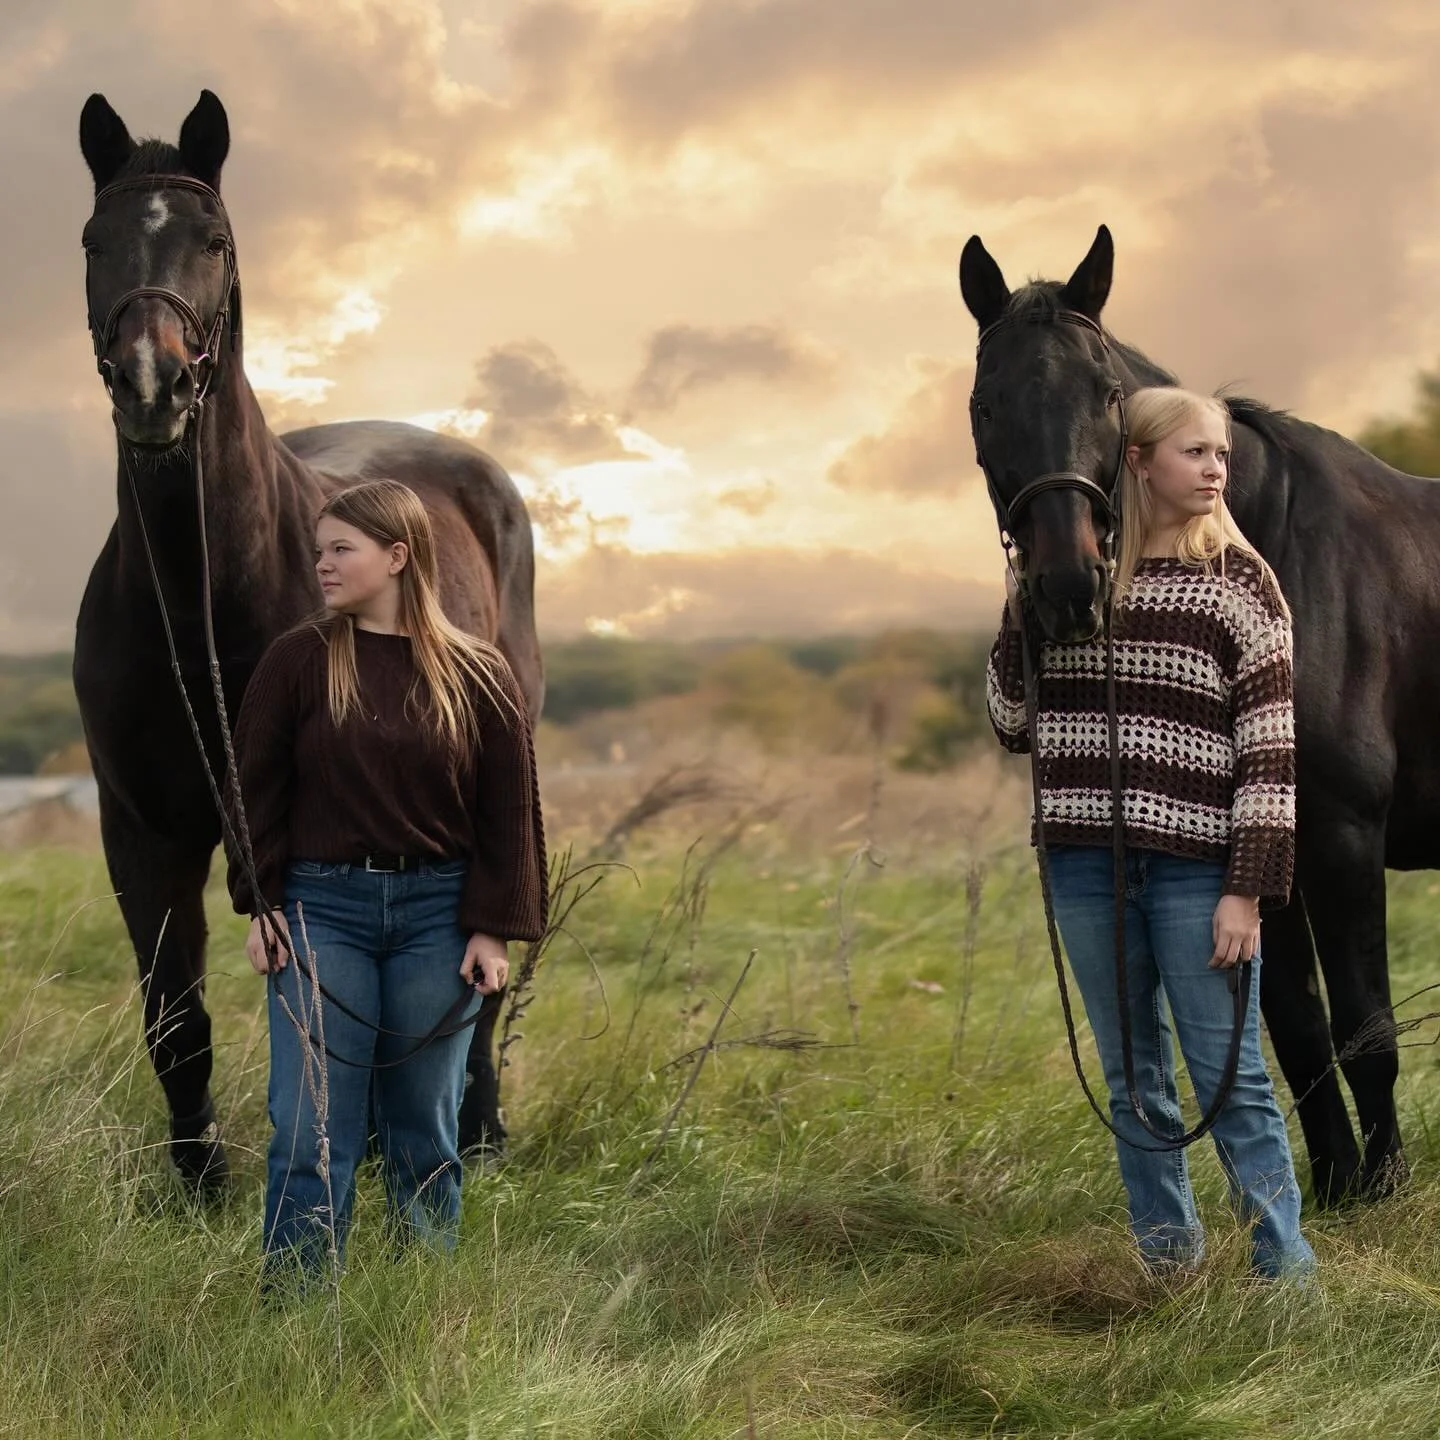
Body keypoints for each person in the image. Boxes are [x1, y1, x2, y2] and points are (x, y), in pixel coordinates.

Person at [986, 386, 1315, 1281]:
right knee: (1135, 1082)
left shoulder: (1240, 583)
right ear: (1136, 460)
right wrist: (1020, 607)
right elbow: (1014, 721)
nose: (1216, 469)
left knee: (1231, 1080)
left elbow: (1271, 755)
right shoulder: (1080, 586)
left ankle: (1285, 1282)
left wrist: (1248, 890)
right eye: (1194, 452)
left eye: (1221, 454)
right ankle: (1169, 1267)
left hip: (1198, 874)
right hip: (1084, 863)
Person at [226, 478, 547, 1284]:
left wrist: (492, 925)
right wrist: (260, 903)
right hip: (319, 910)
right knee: (309, 1132)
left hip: (437, 918)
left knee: (424, 1135)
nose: (322, 564)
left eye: (342, 549)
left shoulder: (477, 672)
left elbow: (510, 806)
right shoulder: (299, 660)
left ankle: (416, 1310)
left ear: (398, 556)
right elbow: (251, 792)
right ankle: (297, 1316)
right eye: (320, 548)